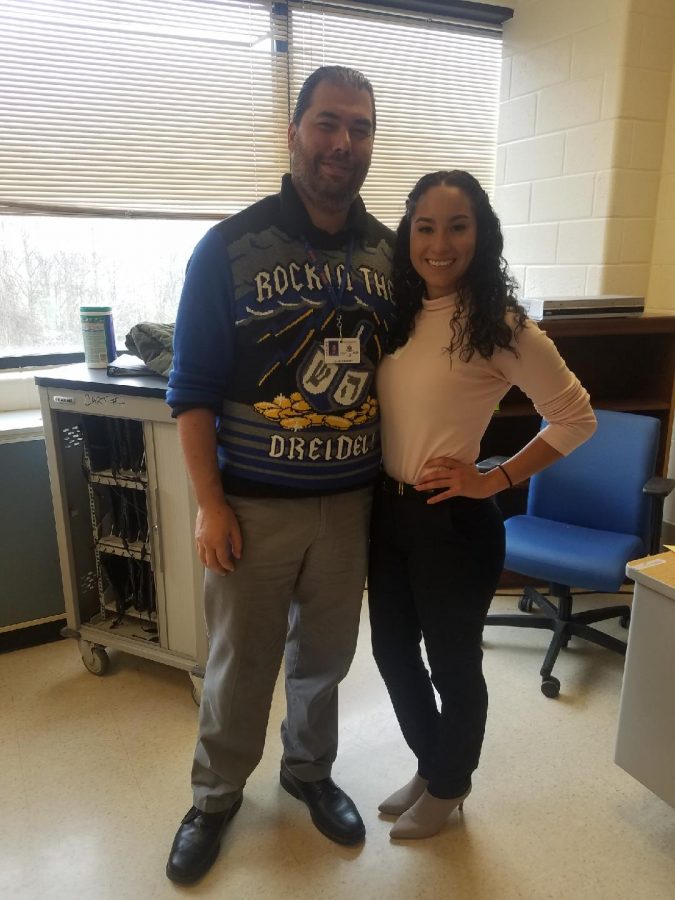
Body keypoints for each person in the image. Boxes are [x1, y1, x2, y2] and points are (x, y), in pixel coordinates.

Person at [165, 66, 395, 883]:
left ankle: (307, 771)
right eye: (328, 123)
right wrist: (208, 505)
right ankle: (216, 794)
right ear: (294, 131)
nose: (343, 143)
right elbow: (189, 392)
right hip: (253, 508)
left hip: (351, 502)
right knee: (240, 662)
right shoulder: (227, 247)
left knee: (325, 660)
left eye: (359, 129)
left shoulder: (388, 254)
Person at [368, 170, 596, 840]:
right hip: (389, 513)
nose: (439, 243)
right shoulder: (399, 311)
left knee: (451, 661)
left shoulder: (499, 324)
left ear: (480, 234)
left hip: (453, 521)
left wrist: (493, 479)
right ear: (407, 234)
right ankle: (430, 764)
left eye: (457, 226)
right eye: (425, 227)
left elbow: (574, 418)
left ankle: (449, 785)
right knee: (390, 652)